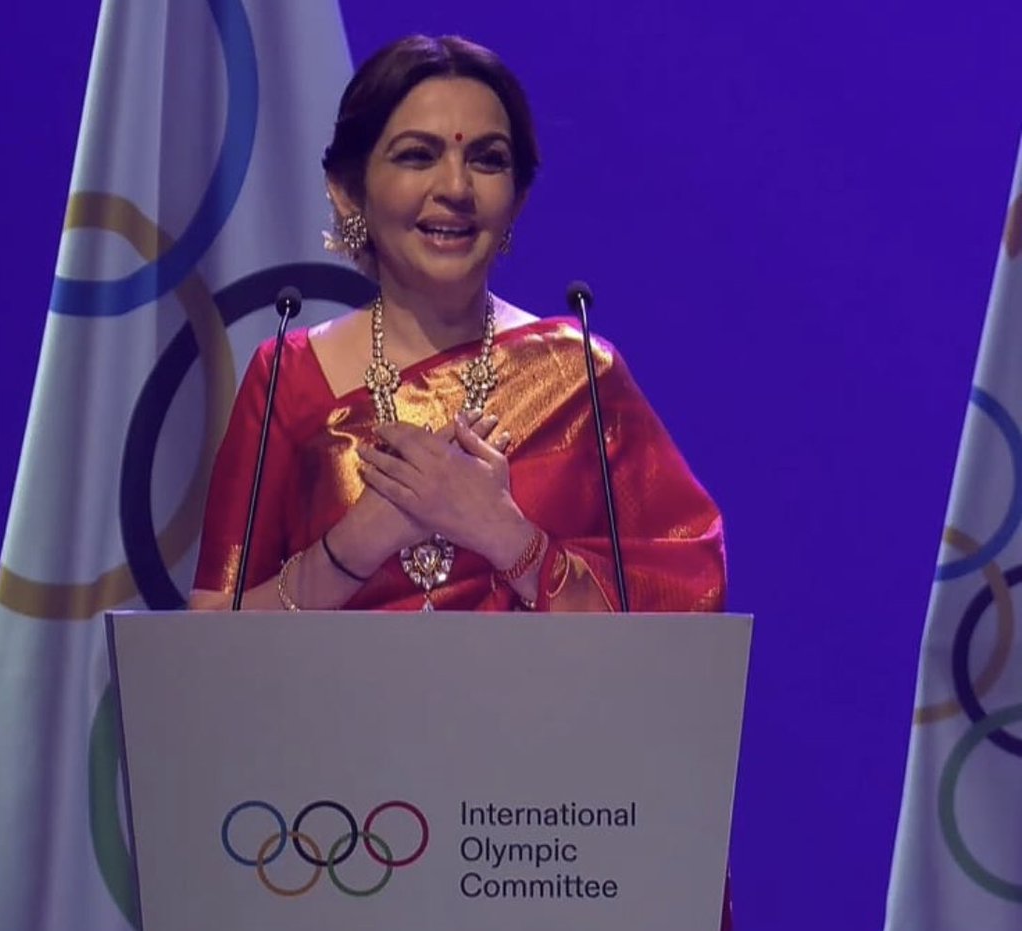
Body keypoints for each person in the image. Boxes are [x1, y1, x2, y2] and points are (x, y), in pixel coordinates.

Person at [190, 35, 732, 925]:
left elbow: (672, 651)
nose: (455, 188)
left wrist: (505, 538)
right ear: (348, 188)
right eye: (416, 155)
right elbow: (204, 655)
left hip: (542, 841)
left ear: (516, 196)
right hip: (343, 840)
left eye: (488, 159)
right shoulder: (286, 378)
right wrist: (358, 544)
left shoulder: (579, 374)